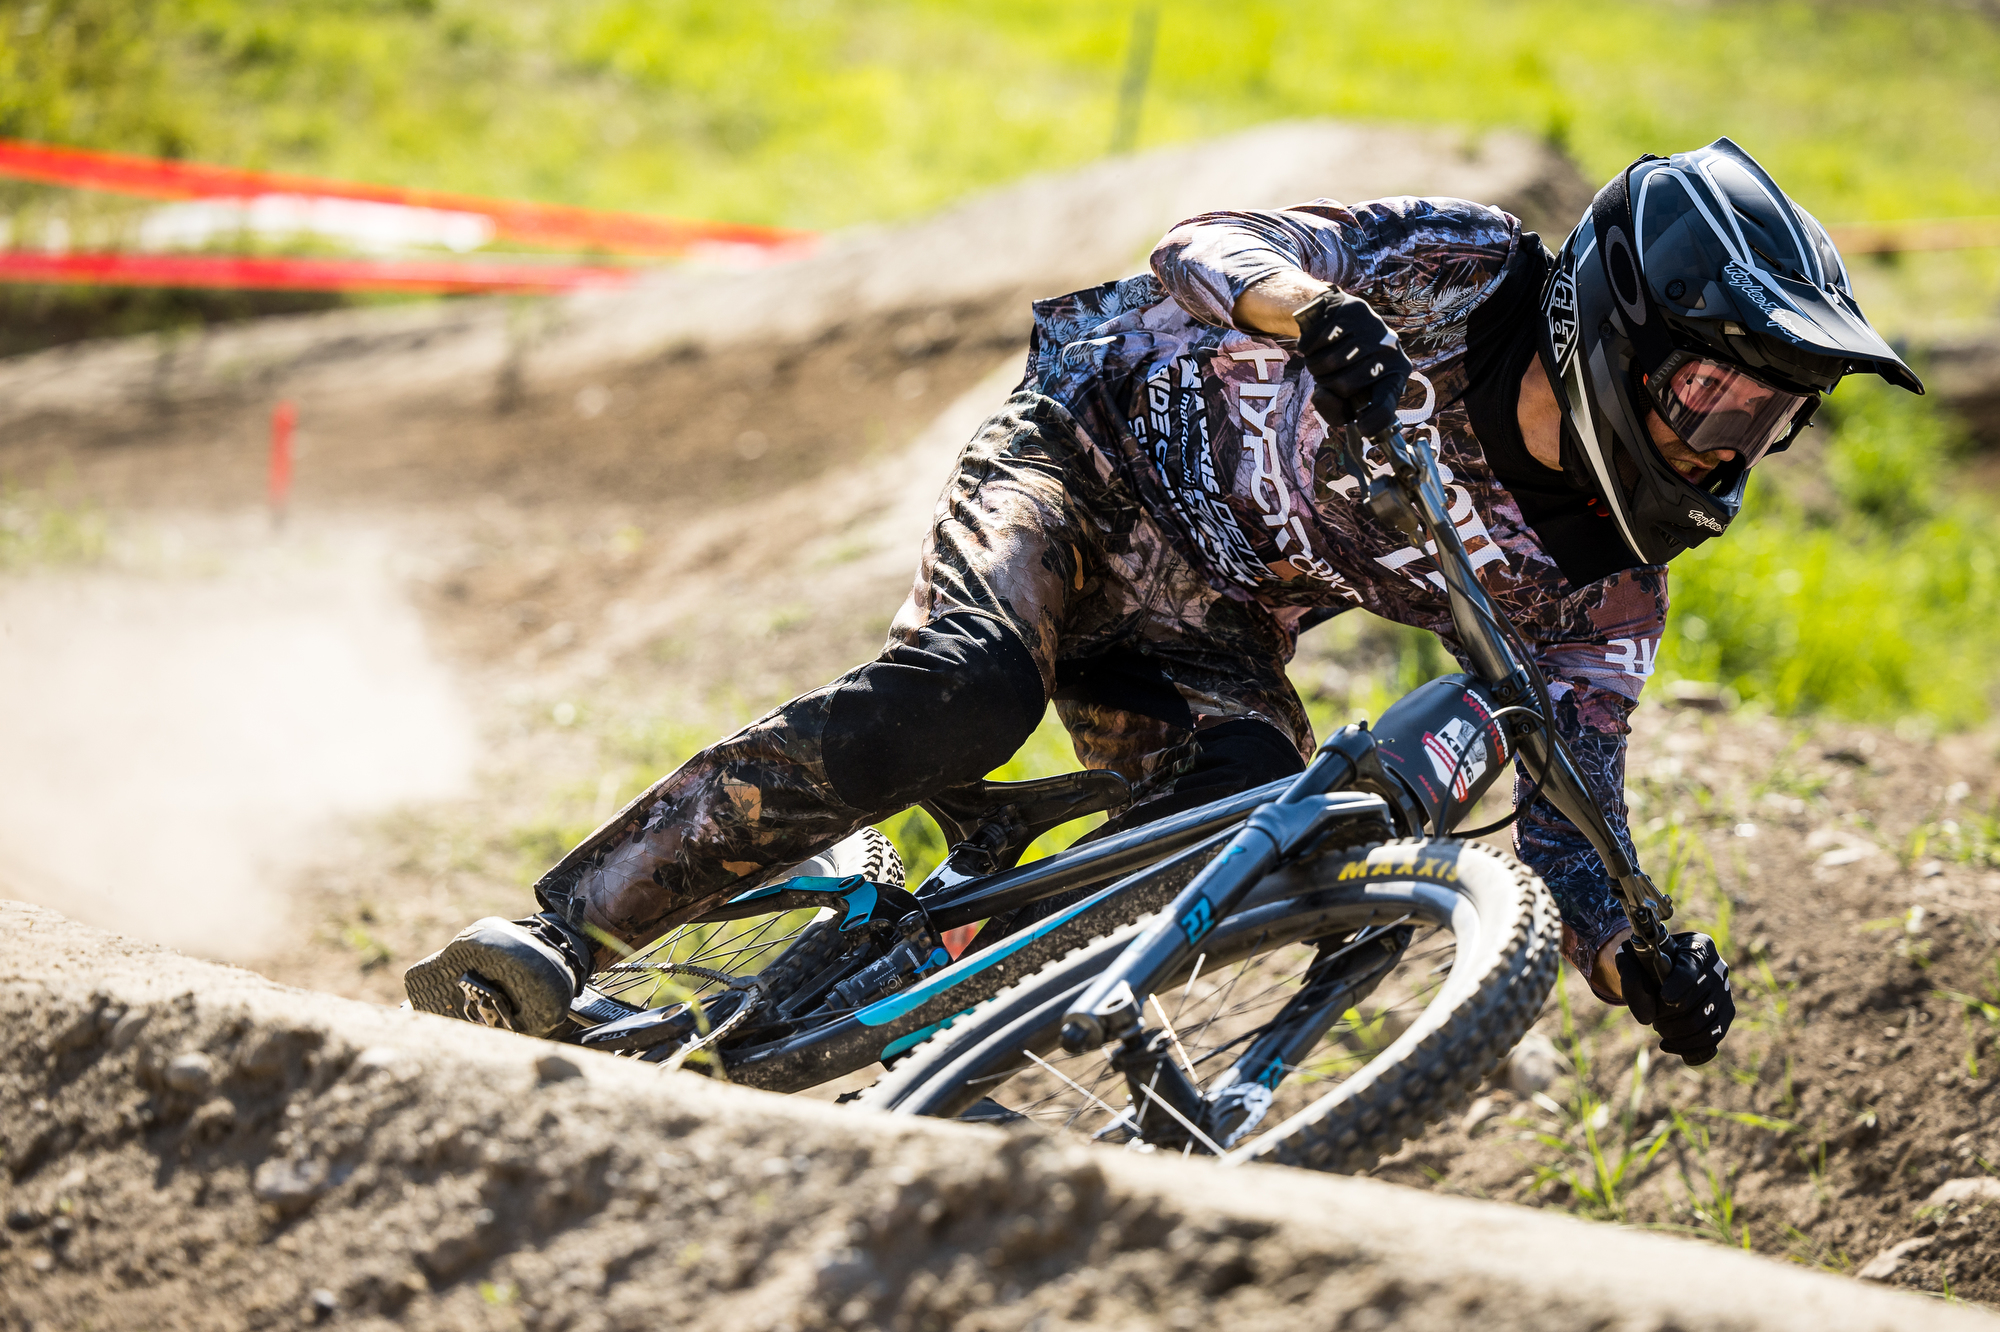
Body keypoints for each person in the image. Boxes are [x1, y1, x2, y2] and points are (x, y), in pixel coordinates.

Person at [406, 138, 1920, 1065]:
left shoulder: (1607, 589)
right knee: (965, 695)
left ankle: (904, 993)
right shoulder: (1464, 272)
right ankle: (559, 938)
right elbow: (1203, 246)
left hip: (1207, 628)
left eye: (1761, 415)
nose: (1721, 435)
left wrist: (1631, 957)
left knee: (1252, 839)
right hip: (1080, 462)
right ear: (1617, 328)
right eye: (1709, 386)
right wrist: (1315, 312)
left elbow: (1572, 802)